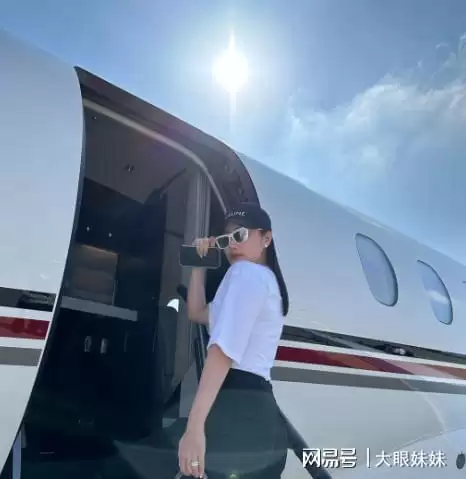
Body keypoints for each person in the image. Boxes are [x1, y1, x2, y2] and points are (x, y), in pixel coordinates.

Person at [177, 202, 290, 478]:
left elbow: (223, 350)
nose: (232, 246)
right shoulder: (264, 281)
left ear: (266, 238)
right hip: (258, 408)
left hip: (238, 406)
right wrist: (199, 264)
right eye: (226, 240)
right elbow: (197, 312)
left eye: (240, 235)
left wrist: (194, 427)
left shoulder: (245, 274)